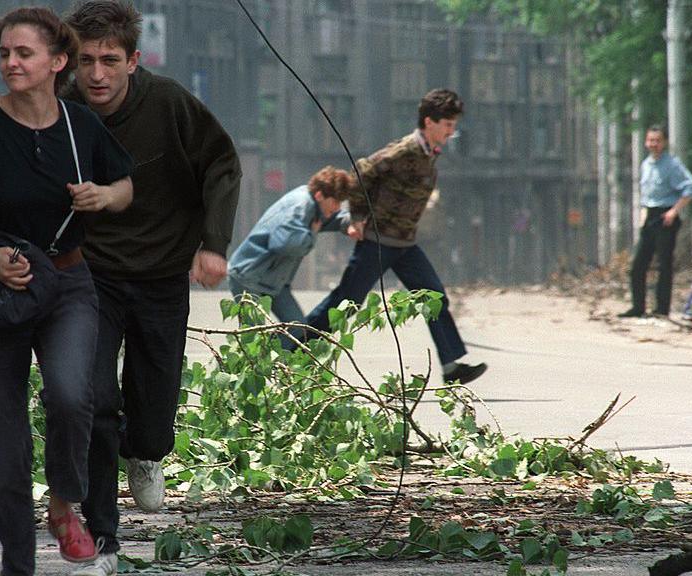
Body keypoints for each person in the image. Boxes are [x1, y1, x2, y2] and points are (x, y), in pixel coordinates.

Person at [0, 7, 133, 575]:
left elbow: (125, 186)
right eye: (4, 54)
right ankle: (17, 563)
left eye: (24, 54)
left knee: (72, 394)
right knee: (2, 440)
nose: (11, 63)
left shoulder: (80, 126)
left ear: (56, 62)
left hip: (66, 283)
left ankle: (66, 505)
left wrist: (101, 198)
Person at [64, 2, 241, 574]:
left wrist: (214, 243)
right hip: (90, 274)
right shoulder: (61, 110)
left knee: (154, 400)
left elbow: (222, 162)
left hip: (163, 273)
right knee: (93, 397)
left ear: (133, 61)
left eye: (110, 61)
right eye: (86, 61)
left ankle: (146, 453)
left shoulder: (167, 103)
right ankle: (101, 533)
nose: (97, 74)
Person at [293, 89, 487, 386]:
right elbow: (361, 172)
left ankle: (451, 367)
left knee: (434, 297)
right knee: (346, 301)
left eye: (453, 124)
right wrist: (357, 217)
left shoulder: (428, 153)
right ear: (429, 122)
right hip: (378, 242)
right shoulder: (404, 150)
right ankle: (290, 347)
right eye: (447, 124)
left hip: (405, 244)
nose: (452, 131)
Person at [227, 166, 352, 322]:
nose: (337, 207)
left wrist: (351, 223)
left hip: (274, 282)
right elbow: (285, 244)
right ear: (320, 195)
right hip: (249, 277)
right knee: (253, 336)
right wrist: (311, 234)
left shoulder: (315, 204)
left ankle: (272, 346)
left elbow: (332, 218)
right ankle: (266, 346)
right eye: (335, 202)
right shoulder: (299, 207)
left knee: (297, 329)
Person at [619, 124, 692, 318]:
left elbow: (691, 188)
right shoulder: (646, 165)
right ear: (646, 142)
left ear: (664, 142)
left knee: (664, 265)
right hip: (650, 216)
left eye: (657, 141)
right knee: (638, 264)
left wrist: (674, 211)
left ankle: (661, 309)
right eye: (650, 140)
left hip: (666, 216)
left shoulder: (672, 164)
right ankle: (638, 307)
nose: (653, 144)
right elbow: (646, 195)